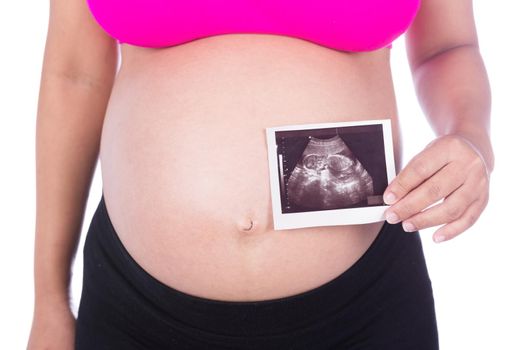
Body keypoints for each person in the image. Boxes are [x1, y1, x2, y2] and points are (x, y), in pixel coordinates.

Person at [27, 0, 493, 349]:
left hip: (365, 309)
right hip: (135, 315)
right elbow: (74, 75)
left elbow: (447, 46)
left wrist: (472, 136)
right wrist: (49, 299)